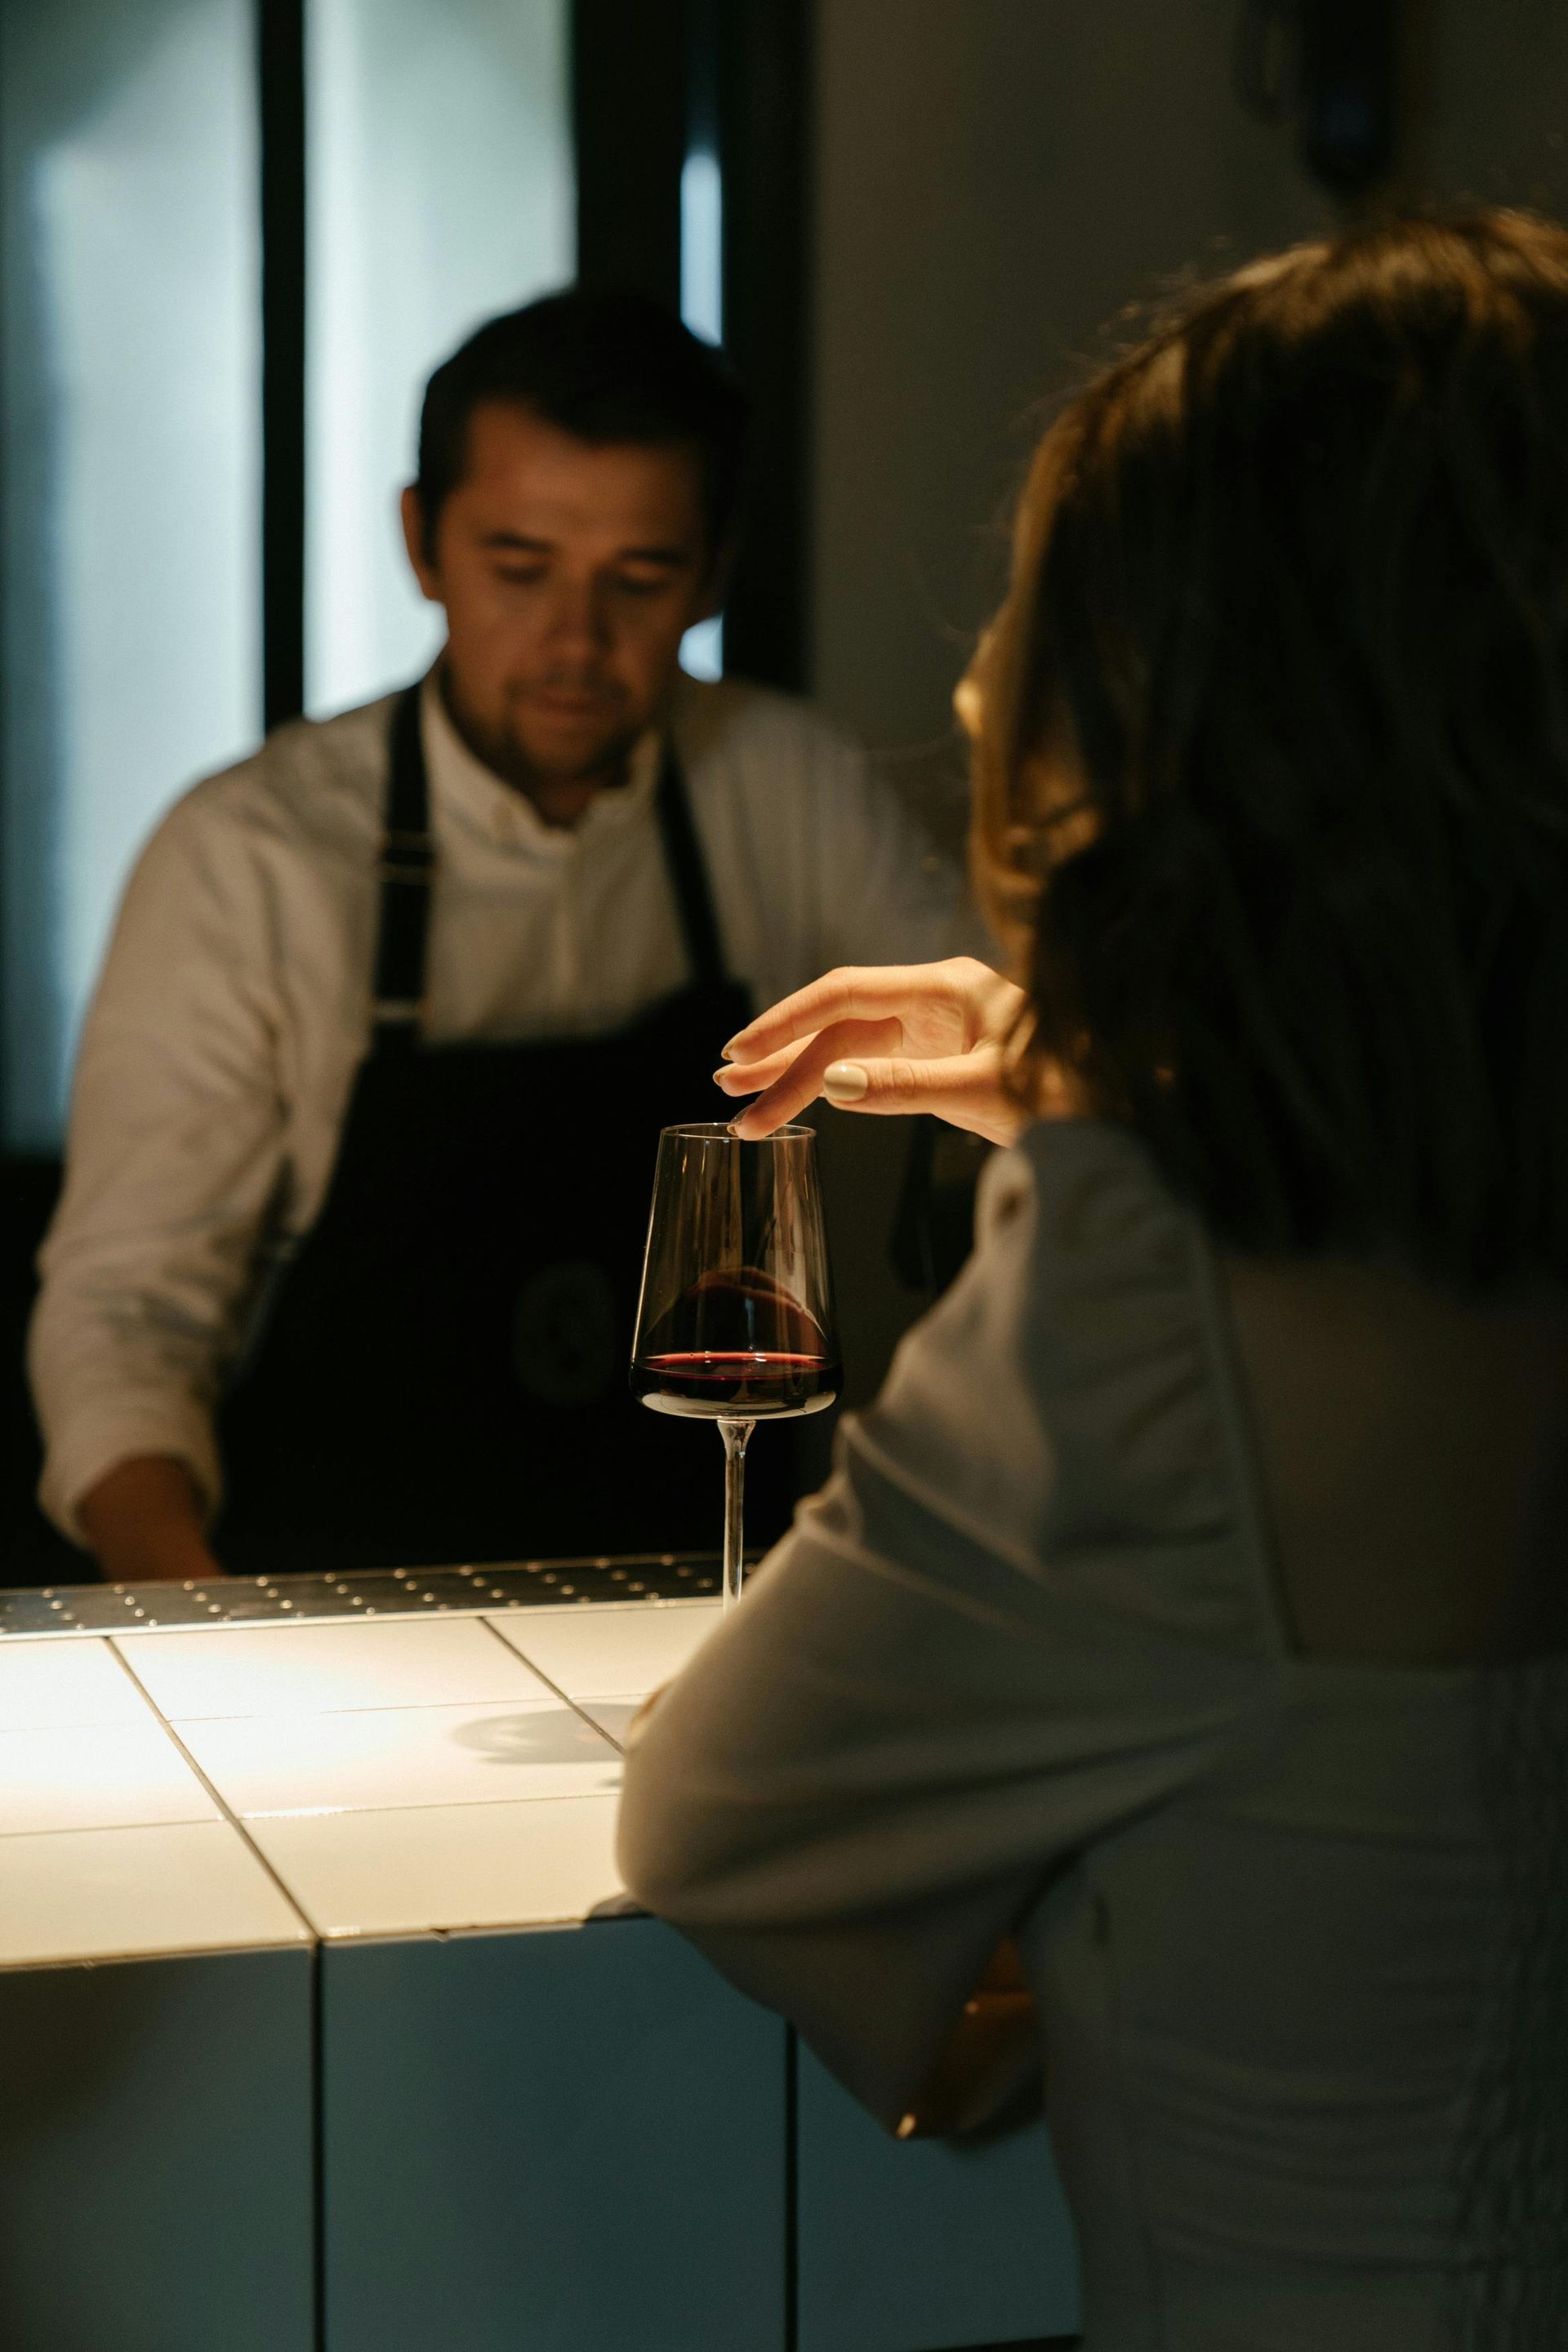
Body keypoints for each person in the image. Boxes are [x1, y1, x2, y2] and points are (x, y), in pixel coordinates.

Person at [618, 211, 1568, 2346]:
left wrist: (974, 2049)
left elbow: (726, 1816)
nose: (982, 667)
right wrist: (1080, 1074)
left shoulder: (1159, 1293)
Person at [30, 287, 984, 1584]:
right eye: (518, 568)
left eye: (638, 580)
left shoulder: (786, 786)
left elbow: (1002, 1068)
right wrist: (199, 1625)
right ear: (422, 543)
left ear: (710, 569)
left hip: (710, 1603)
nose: (574, 642)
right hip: (325, 1619)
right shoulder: (250, 857)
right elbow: (123, 1318)